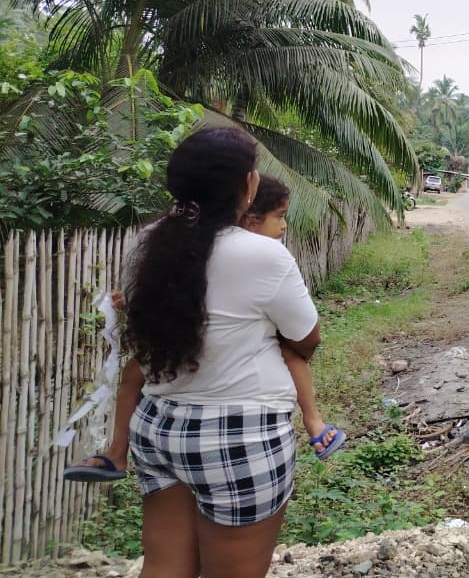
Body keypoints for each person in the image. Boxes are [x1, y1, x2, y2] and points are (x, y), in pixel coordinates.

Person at [80, 128, 322, 578]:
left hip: (157, 427)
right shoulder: (263, 255)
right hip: (239, 435)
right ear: (248, 184)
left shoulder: (147, 243)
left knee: (165, 568)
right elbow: (306, 338)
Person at [64, 176, 345, 485]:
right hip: (203, 357)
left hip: (190, 352)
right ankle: (117, 452)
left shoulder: (192, 243)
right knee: (134, 371)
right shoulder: (253, 252)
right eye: (279, 217)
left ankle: (314, 420)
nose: (284, 225)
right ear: (251, 220)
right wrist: (132, 300)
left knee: (135, 373)